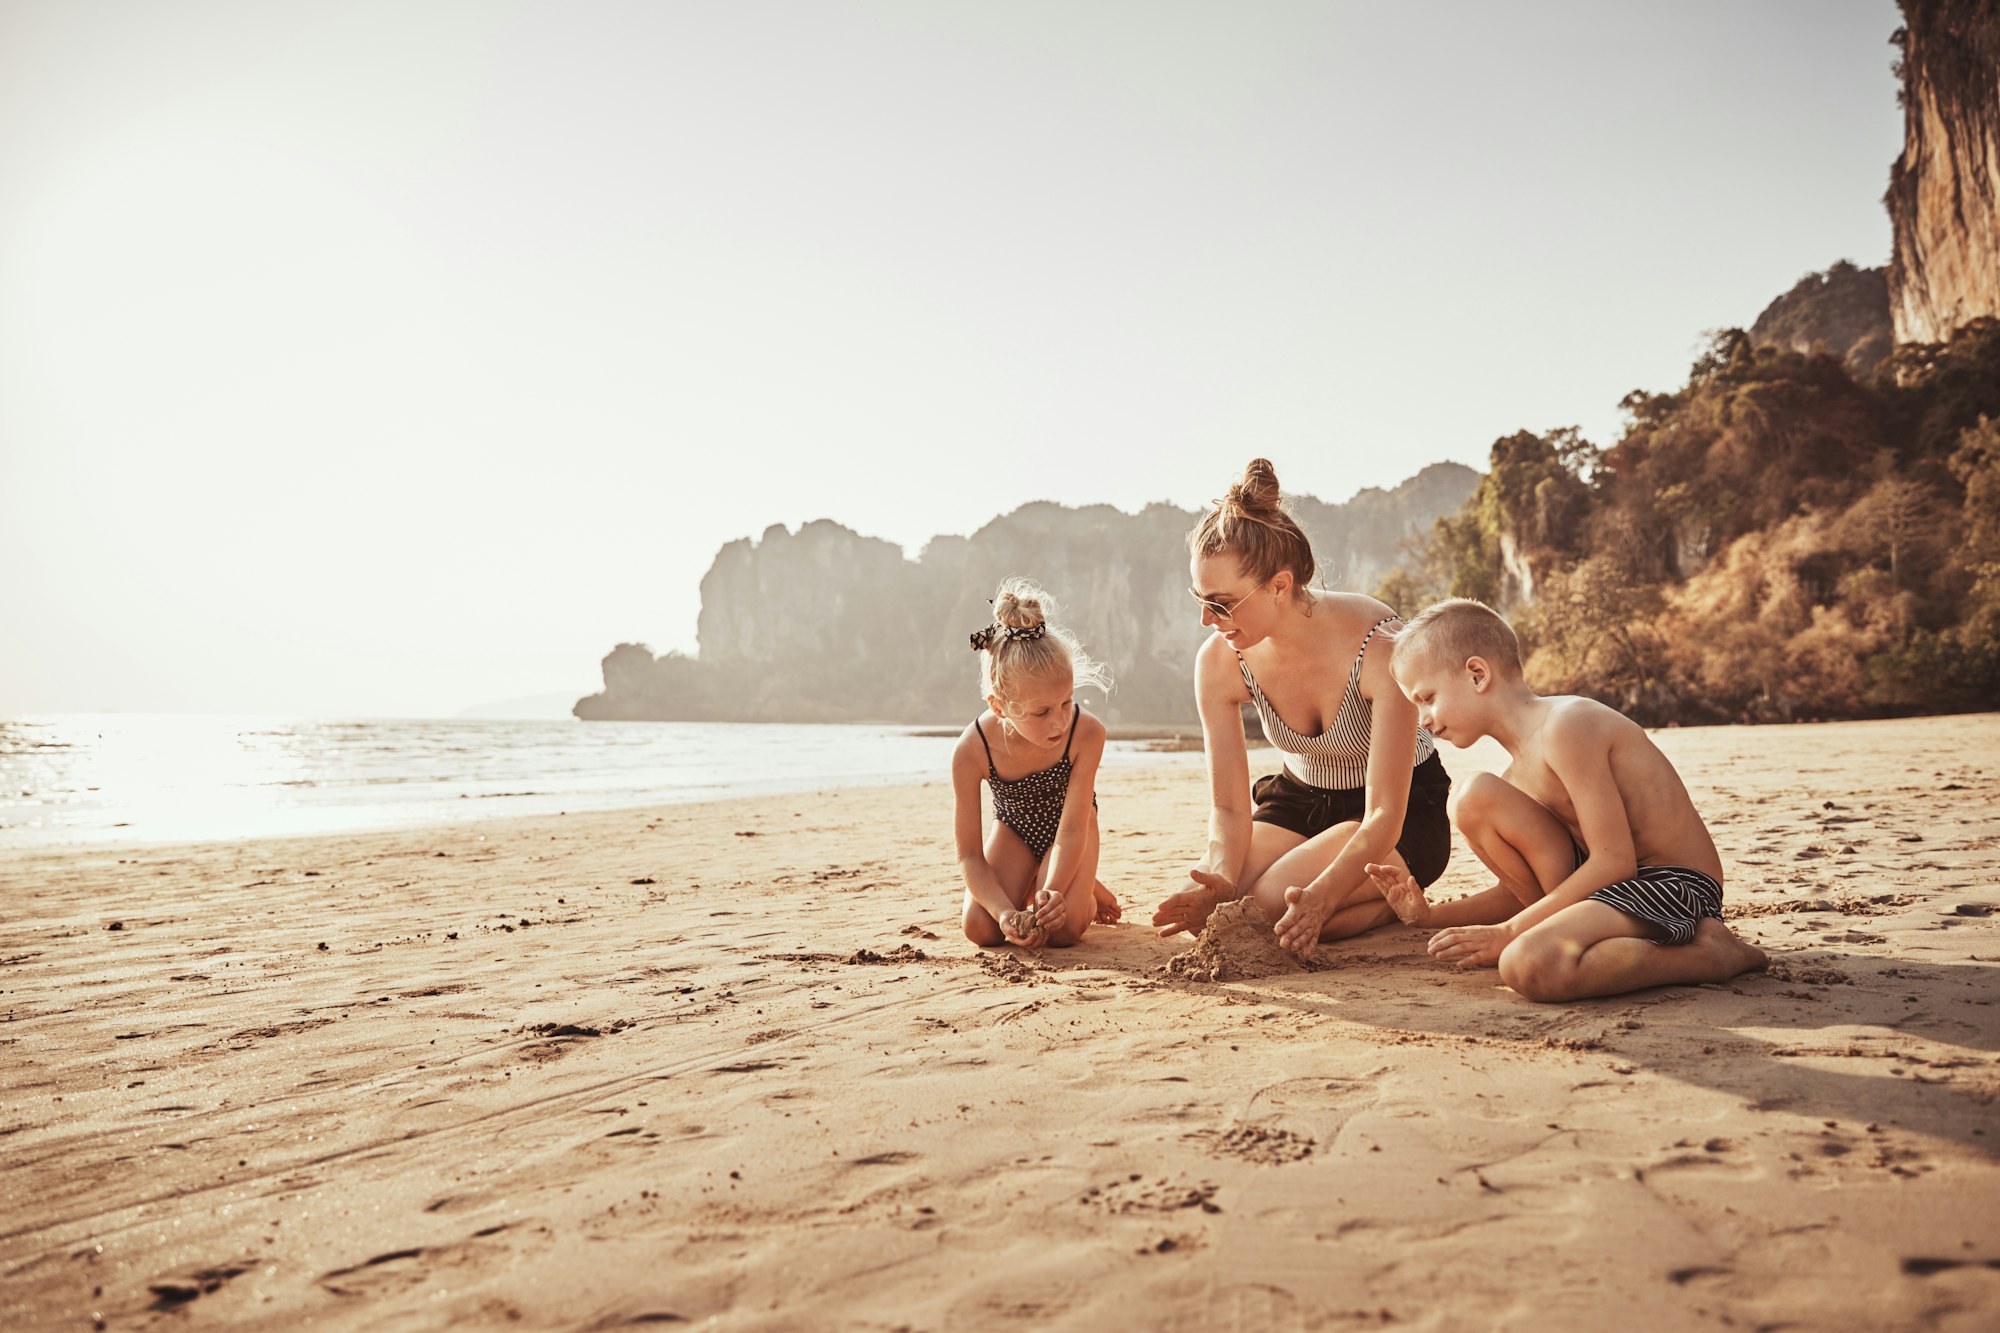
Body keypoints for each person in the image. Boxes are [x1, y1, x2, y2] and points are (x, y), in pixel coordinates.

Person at [1364, 597, 1768, 1001]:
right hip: (1608, 888)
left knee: (1526, 964)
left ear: (1476, 674)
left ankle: (1711, 955)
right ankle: (1578, 938)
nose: (1424, 720)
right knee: (1473, 798)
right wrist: (1429, 916)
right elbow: (1521, 894)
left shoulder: (1566, 726)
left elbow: (1615, 861)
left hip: (1673, 884)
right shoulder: (1516, 776)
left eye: (1427, 698)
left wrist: (1511, 933)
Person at [1151, 459, 1451, 959]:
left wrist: (1322, 897)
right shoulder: (1222, 661)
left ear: (1280, 585)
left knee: (1265, 909)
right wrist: (1222, 875)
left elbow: (1382, 814)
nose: (1206, 619)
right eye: (1199, 599)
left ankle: (1375, 900)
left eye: (1221, 603)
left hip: (1394, 817)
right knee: (1222, 904)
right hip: (1299, 801)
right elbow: (1227, 808)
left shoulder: (1380, 646)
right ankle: (1370, 908)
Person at [952, 578, 1121, 948]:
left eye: (1066, 702)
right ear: (999, 706)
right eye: (1041, 712)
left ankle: (1083, 893)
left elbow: (1072, 830)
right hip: (1015, 830)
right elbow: (968, 855)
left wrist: (1055, 891)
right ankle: (1062, 877)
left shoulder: (1086, 733)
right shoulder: (971, 750)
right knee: (980, 930)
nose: (1060, 721)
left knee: (1060, 930)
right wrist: (1003, 913)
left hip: (1073, 831)